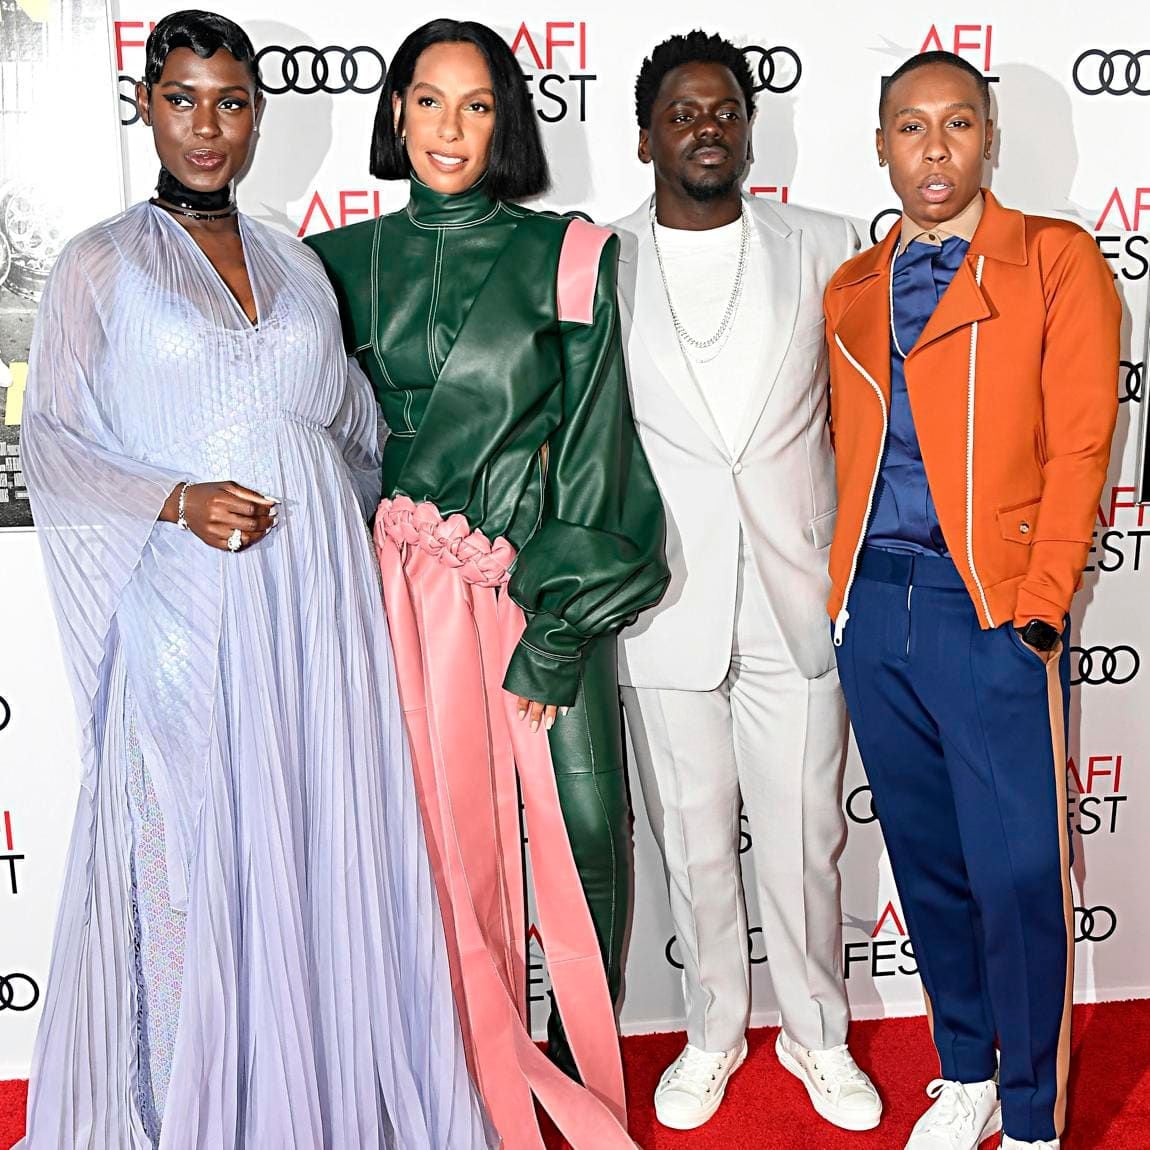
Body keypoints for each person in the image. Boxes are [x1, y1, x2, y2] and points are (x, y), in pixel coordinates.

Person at [18, 11, 492, 1148]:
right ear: (145, 104)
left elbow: (348, 425)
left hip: (311, 606)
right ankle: (189, 1113)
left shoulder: (294, 261)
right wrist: (177, 499)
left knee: (316, 839)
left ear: (258, 116)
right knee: (187, 860)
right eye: (182, 97)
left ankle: (314, 1096)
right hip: (182, 609)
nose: (206, 125)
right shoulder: (98, 262)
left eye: (230, 101)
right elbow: (55, 443)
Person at [304, 18, 668, 1150]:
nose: (449, 127)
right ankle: (432, 1048)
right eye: (428, 100)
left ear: (506, 120)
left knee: (592, 825)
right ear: (396, 112)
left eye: (476, 104)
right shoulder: (330, 265)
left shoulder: (569, 252)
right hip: (386, 607)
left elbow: (599, 438)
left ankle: (563, 1060)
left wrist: (559, 629)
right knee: (413, 843)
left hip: (530, 588)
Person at [824, 50, 1120, 1150]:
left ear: (988, 137)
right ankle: (964, 1070)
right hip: (875, 612)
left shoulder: (1052, 258)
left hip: (989, 610)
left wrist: (1039, 604)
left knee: (1016, 875)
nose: (934, 149)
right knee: (928, 863)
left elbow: (1083, 439)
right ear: (882, 145)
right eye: (911, 127)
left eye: (956, 125)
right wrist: (841, 602)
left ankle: (1035, 1113)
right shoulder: (851, 286)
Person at [611, 30, 882, 1134]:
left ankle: (820, 1033)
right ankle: (713, 1030)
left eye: (724, 110)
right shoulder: (598, 260)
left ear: (749, 128)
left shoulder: (823, 245)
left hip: (796, 593)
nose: (706, 128)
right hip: (664, 604)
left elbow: (872, 418)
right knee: (690, 838)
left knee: (804, 832)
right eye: (682, 112)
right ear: (644, 137)